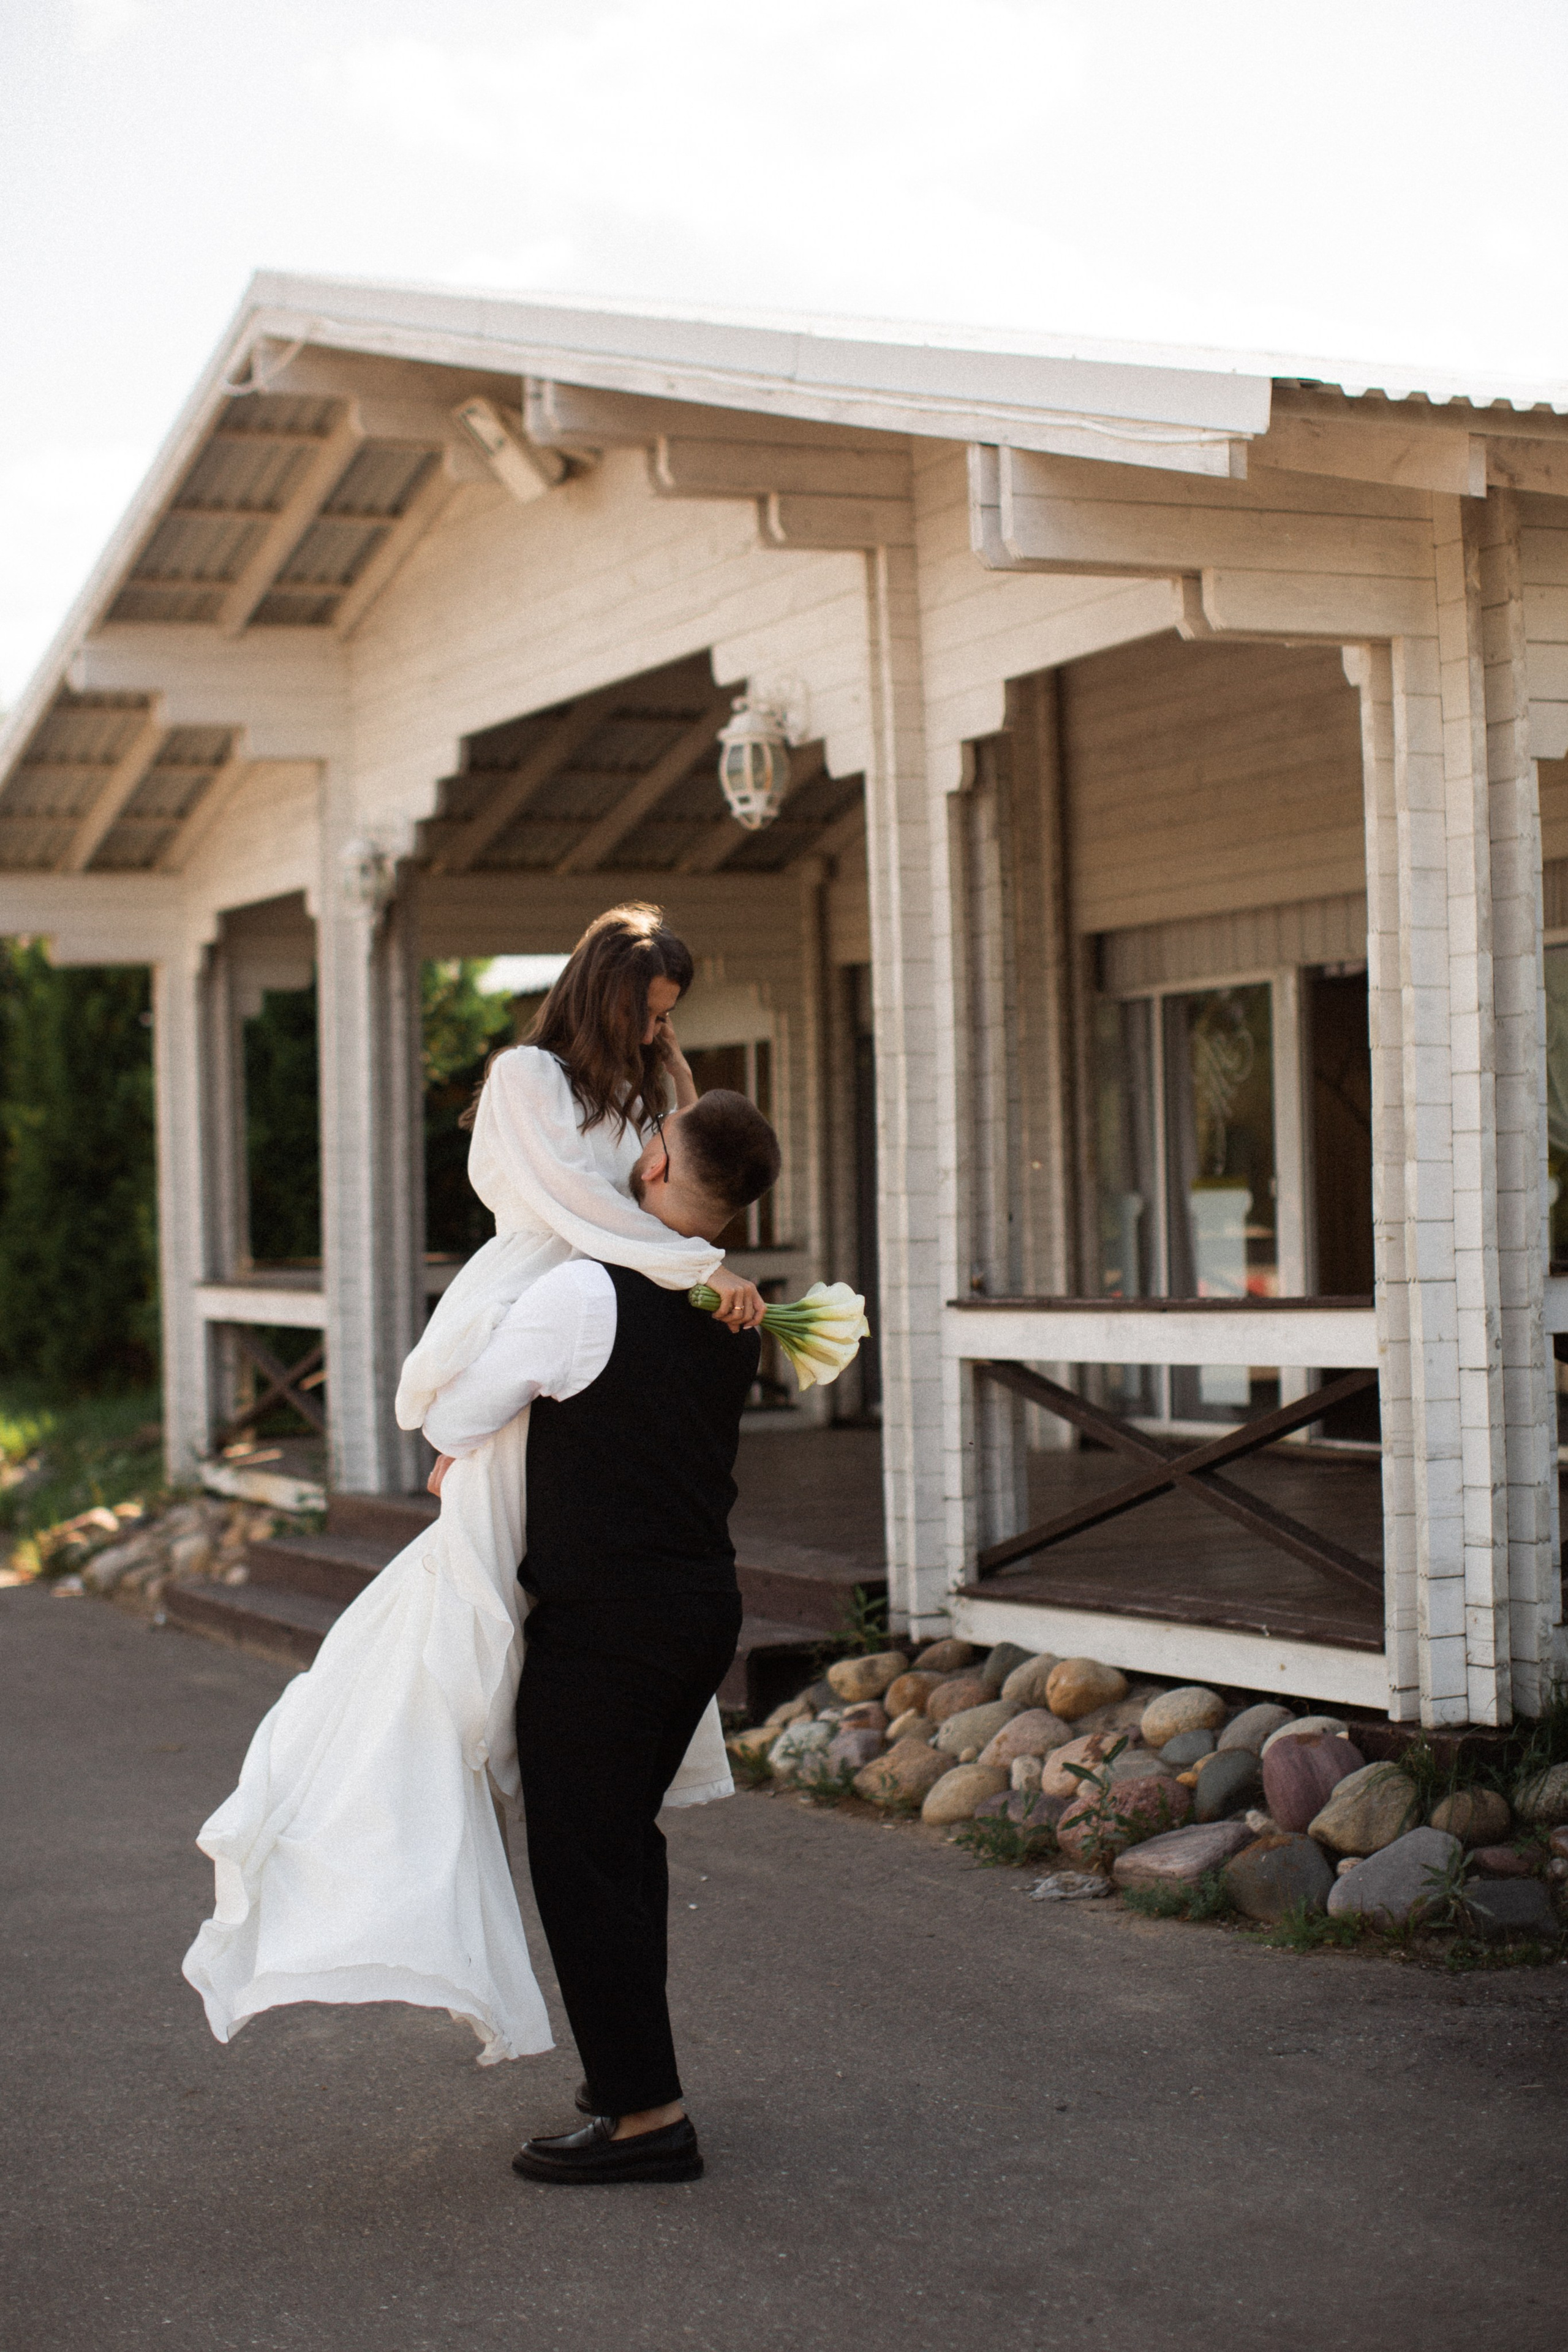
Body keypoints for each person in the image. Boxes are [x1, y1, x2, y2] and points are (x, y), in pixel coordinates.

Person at [183, 905, 763, 2066]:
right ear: (603, 992)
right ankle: (400, 1802)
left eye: (670, 1017)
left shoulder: (658, 1098)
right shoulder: (526, 1079)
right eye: (649, 1011)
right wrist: (694, 1266)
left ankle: (533, 1778)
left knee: (571, 1730)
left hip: (607, 1321)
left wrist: (689, 1266)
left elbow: (685, 1177)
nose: (661, 1031)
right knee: (478, 1588)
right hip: (553, 1304)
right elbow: (576, 1210)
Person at [422, 1088, 782, 2185]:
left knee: (584, 1857)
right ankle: (632, 2076)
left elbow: (449, 1418)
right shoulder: (729, 1311)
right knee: (621, 1846)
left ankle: (646, 2119)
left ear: (664, 1167)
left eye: (654, 1138)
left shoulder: (586, 1292)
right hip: (693, 1609)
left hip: (610, 1622)